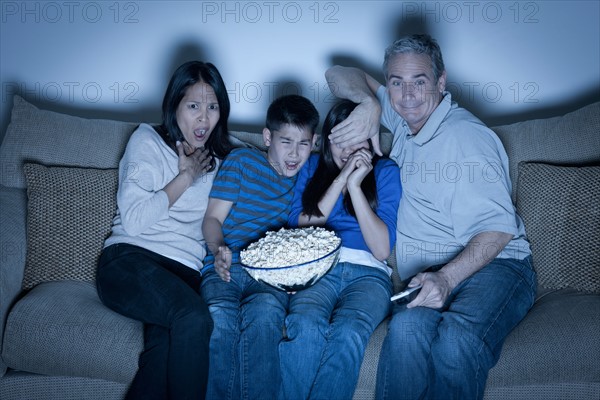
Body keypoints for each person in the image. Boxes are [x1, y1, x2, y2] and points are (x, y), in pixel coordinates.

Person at [325, 34, 537, 399]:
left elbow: (499, 230)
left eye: (419, 82)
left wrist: (446, 279)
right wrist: (368, 103)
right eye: (396, 83)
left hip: (497, 265)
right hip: (430, 273)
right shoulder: (404, 117)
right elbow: (336, 72)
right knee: (405, 331)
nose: (407, 95)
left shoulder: (467, 138)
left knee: (456, 340)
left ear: (441, 82)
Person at [95, 60, 234, 400]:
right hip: (129, 262)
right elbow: (136, 220)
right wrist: (186, 177)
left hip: (183, 275)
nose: (204, 119)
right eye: (194, 106)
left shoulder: (224, 158)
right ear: (175, 106)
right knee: (193, 317)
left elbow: (274, 163)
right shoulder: (147, 141)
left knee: (163, 353)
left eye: (213, 107)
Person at [279, 99, 401, 400]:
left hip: (369, 275)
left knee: (348, 332)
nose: (347, 150)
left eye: (355, 139)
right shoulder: (311, 168)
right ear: (327, 141)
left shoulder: (385, 171)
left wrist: (357, 187)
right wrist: (341, 178)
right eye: (340, 141)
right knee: (305, 325)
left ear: (369, 139)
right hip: (320, 267)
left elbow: (381, 249)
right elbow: (304, 228)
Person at [201, 94, 319, 400]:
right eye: (286, 141)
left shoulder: (306, 178)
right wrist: (218, 251)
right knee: (220, 319)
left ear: (314, 142)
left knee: (266, 315)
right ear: (268, 137)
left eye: (303, 143)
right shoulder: (241, 162)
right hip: (225, 264)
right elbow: (212, 218)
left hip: (268, 274)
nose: (294, 154)